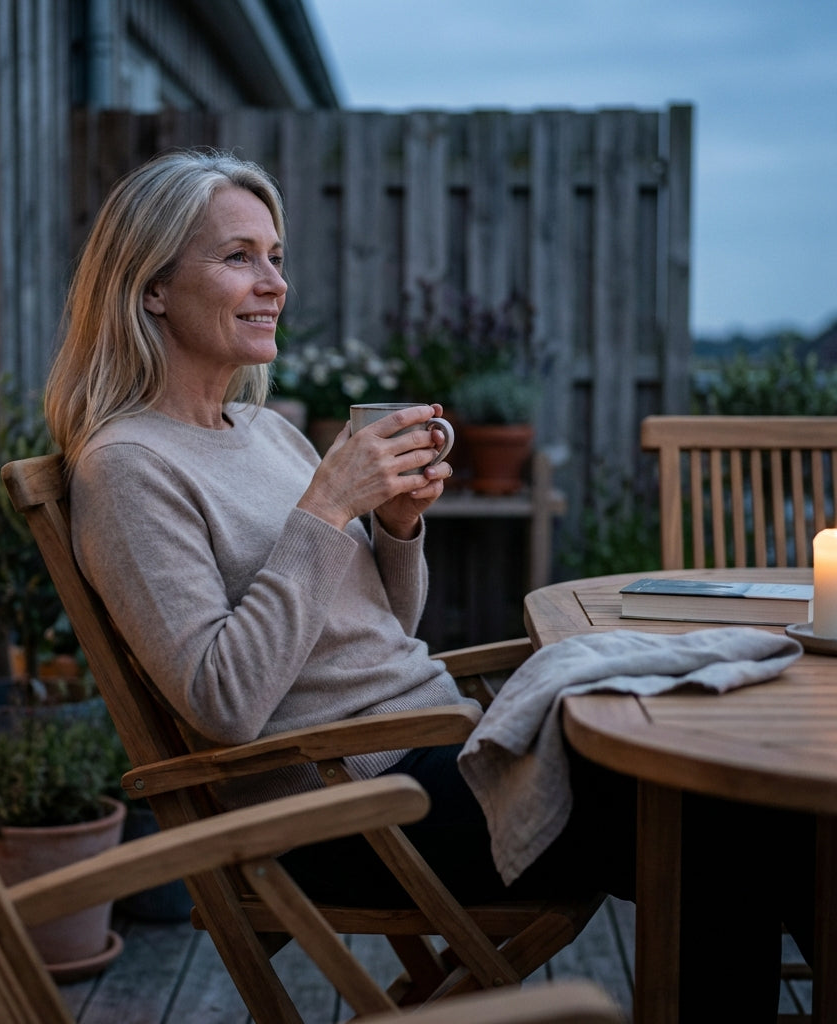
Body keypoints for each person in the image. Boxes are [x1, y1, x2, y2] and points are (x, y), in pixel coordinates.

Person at [46, 149, 813, 1021]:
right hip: (347, 809)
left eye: (276, 257)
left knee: (725, 793)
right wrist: (329, 507)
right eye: (238, 257)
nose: (273, 283)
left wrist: (396, 526)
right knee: (722, 818)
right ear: (150, 286)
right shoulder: (128, 469)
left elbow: (381, 626)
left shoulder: (264, 431)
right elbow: (223, 702)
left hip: (429, 755)